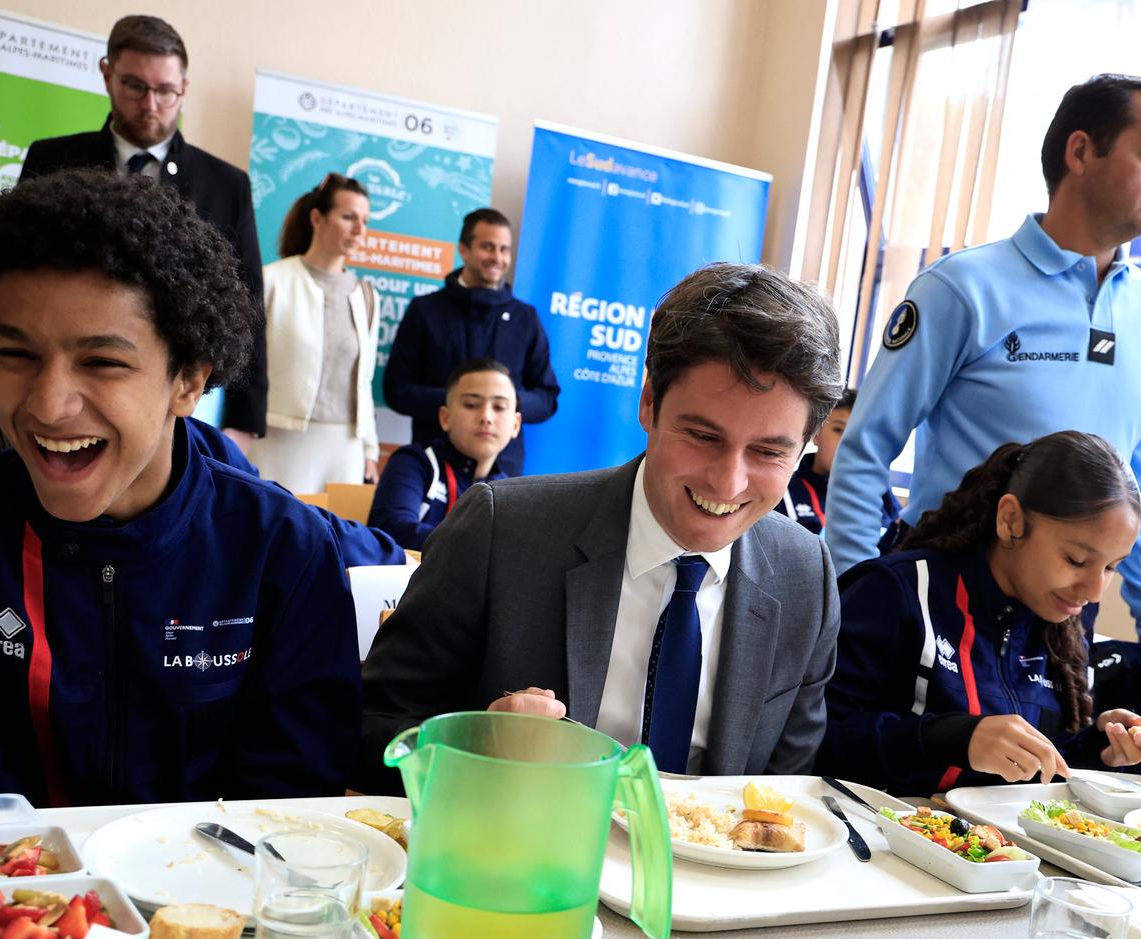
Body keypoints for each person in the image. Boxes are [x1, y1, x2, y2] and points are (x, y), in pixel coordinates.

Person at [0, 170, 361, 820]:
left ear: (189, 381)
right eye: (16, 355)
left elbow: (291, 812)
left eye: (102, 362)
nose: (48, 404)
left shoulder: (282, 553)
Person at [360, 262, 846, 791]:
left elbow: (787, 792)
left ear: (804, 448)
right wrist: (478, 747)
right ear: (649, 402)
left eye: (768, 451)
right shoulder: (501, 531)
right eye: (704, 437)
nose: (729, 484)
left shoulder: (805, 576)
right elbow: (364, 728)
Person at [825, 74, 1141, 691]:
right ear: (1080, 152)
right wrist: (854, 590)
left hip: (1064, 620)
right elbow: (866, 446)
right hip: (942, 613)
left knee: (1039, 784)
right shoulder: (963, 289)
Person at [818, 431, 1141, 798]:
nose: (1093, 592)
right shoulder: (895, 591)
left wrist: (1099, 749)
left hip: (999, 850)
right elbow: (818, 739)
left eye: (1111, 568)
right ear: (1010, 520)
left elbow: (1034, 772)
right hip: (874, 836)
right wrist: (951, 738)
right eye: (1076, 560)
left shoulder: (1063, 622)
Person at [20, 15, 267, 453]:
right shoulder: (53, 159)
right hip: (65, 384)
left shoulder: (226, 184)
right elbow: (17, 282)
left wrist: (245, 420)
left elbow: (246, 304)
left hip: (181, 394)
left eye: (165, 91)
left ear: (184, 89)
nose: (151, 104)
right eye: (135, 86)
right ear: (107, 75)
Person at [382, 207, 559, 475]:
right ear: (464, 249)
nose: (497, 258)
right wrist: (460, 403)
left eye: (504, 249)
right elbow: (396, 390)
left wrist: (502, 403)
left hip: (503, 468)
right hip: (433, 464)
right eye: (488, 247)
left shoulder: (526, 319)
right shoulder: (425, 311)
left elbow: (547, 398)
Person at [250, 174, 380, 490]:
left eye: (364, 220)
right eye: (348, 217)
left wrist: (370, 449)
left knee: (332, 537)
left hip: (345, 445)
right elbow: (246, 369)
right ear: (317, 218)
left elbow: (364, 381)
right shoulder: (272, 282)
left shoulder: (366, 295)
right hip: (278, 436)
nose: (359, 230)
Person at [369, 358, 520, 550]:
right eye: (472, 404)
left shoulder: (510, 491)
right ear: (445, 417)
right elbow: (392, 532)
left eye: (499, 407)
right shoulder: (415, 463)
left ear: (515, 425)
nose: (486, 417)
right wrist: (482, 546)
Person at [774, 388, 900, 539]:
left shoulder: (879, 492)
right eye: (839, 430)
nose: (848, 443)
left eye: (859, 434)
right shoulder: (782, 493)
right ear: (816, 433)